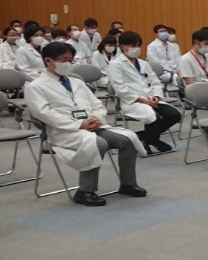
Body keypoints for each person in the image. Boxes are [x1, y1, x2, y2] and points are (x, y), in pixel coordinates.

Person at [25, 42, 148, 207]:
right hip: (64, 132)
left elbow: (96, 104)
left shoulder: (77, 82)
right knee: (99, 143)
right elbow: (45, 114)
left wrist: (97, 118)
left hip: (91, 126)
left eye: (71, 60)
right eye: (63, 60)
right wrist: (79, 124)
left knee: (128, 140)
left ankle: (127, 184)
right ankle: (85, 191)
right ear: (48, 61)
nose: (68, 64)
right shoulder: (35, 86)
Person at [108, 31, 181, 154]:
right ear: (122, 47)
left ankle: (144, 137)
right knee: (151, 116)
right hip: (132, 101)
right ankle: (153, 140)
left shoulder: (143, 64)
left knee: (174, 115)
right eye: (132, 46)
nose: (135, 49)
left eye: (137, 45)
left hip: (151, 99)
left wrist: (156, 96)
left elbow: (155, 82)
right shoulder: (115, 64)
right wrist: (142, 100)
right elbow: (120, 88)